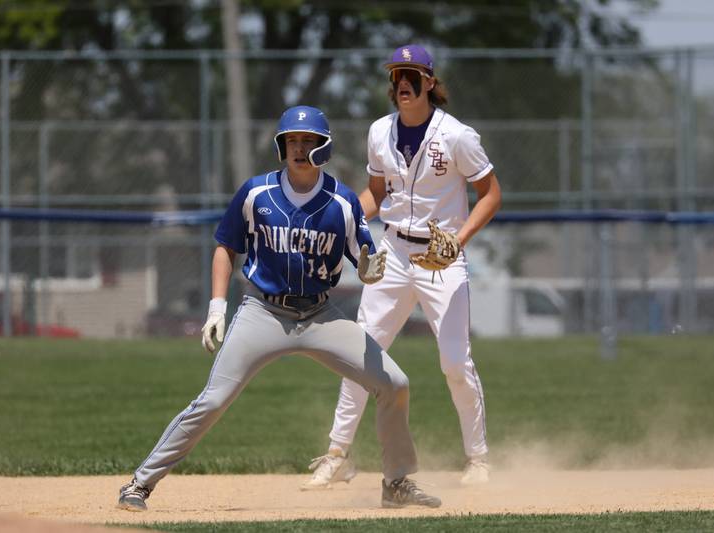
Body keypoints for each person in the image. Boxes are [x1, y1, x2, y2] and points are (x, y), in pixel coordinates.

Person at [117, 105, 441, 512]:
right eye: (291, 141)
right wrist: (217, 307)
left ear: (324, 148)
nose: (299, 148)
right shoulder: (256, 193)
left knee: (395, 383)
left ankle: (396, 483)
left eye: (308, 141)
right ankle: (139, 483)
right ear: (280, 147)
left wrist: (370, 270)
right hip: (263, 312)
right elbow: (225, 248)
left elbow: (365, 260)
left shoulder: (342, 202)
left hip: (320, 315)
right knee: (213, 400)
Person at [303, 45, 502, 490]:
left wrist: (459, 241)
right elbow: (377, 193)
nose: (404, 83)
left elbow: (491, 194)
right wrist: (344, 218)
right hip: (393, 251)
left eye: (413, 75)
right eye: (398, 75)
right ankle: (337, 455)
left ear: (430, 81)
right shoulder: (380, 131)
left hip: (441, 256)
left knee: (455, 361)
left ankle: (478, 458)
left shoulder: (457, 136)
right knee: (361, 354)